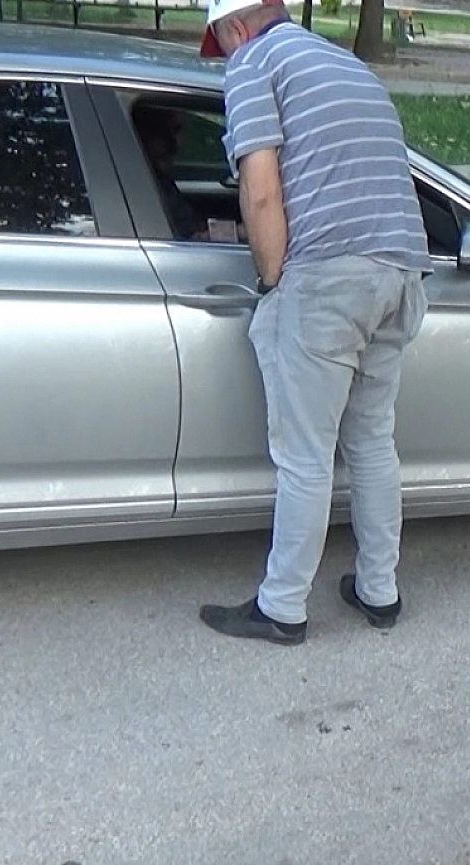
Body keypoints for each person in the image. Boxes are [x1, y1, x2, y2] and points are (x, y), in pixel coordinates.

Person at [195, 0, 432, 646]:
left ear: (231, 28)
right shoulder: (347, 66)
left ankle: (281, 607)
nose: (226, 55)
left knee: (304, 457)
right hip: (400, 272)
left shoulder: (253, 64)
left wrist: (274, 280)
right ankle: (378, 590)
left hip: (327, 277)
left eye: (220, 41)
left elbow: (262, 188)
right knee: (372, 440)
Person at [133, 105, 210, 242]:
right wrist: (237, 232)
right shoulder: (143, 189)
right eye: (176, 130)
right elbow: (192, 240)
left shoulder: (155, 180)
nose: (180, 142)